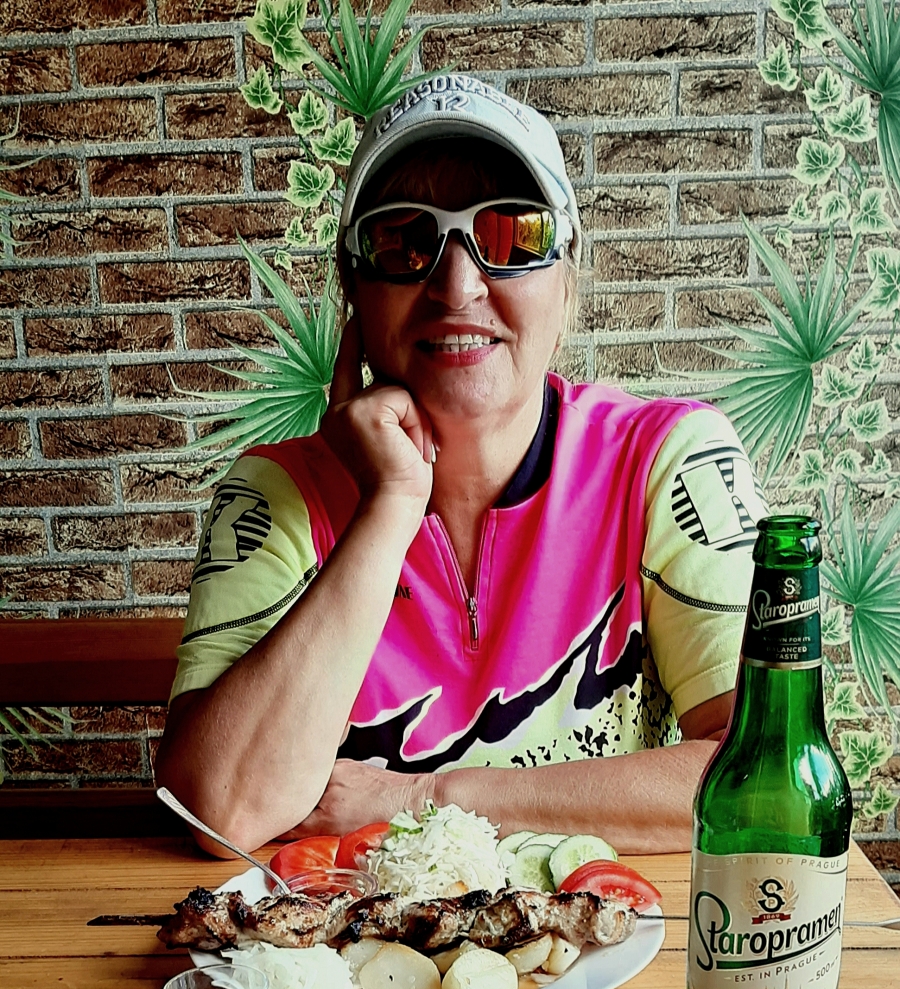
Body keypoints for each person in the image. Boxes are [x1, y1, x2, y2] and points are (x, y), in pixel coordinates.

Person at [157, 73, 766, 856]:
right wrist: (388, 508)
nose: (456, 285)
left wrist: (424, 798)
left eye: (512, 235)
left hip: (599, 926)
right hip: (357, 937)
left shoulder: (663, 463)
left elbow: (760, 776)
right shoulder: (278, 495)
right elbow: (220, 811)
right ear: (354, 290)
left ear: (568, 283)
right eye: (404, 240)